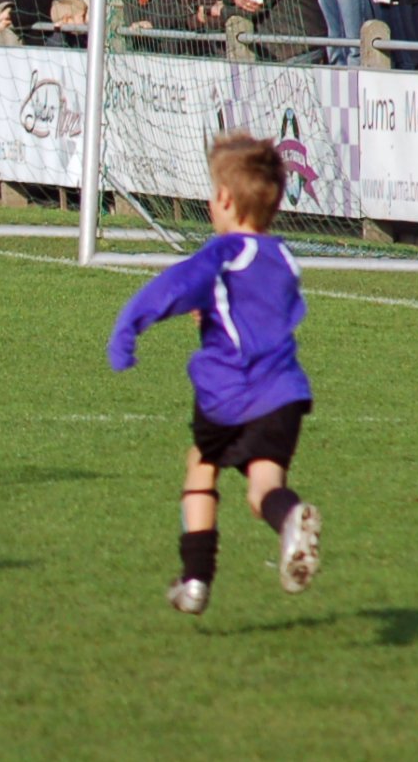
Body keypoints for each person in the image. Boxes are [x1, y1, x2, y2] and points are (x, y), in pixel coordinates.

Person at [107, 133, 320, 617]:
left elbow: (172, 286)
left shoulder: (223, 253)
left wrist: (126, 331)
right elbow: (257, 310)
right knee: (262, 489)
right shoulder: (285, 257)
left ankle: (196, 580)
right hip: (285, 393)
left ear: (224, 199)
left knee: (201, 464)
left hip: (231, 392)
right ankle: (290, 518)